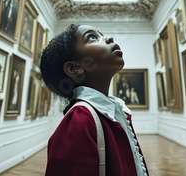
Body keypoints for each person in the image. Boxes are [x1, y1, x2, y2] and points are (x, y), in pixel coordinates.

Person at [40, 24, 148, 176]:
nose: (109, 38)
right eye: (92, 37)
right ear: (74, 68)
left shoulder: (116, 112)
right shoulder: (79, 122)